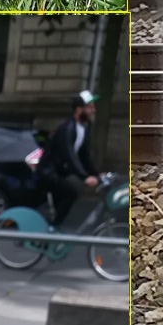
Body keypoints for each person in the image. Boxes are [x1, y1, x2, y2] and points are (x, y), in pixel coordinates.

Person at [44, 90, 103, 227]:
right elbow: (69, 156)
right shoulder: (68, 128)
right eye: (90, 107)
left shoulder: (82, 128)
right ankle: (53, 229)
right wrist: (84, 177)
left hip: (59, 172)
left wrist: (96, 174)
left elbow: (84, 156)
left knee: (64, 200)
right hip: (49, 172)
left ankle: (52, 229)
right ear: (78, 110)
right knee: (71, 192)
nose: (93, 110)